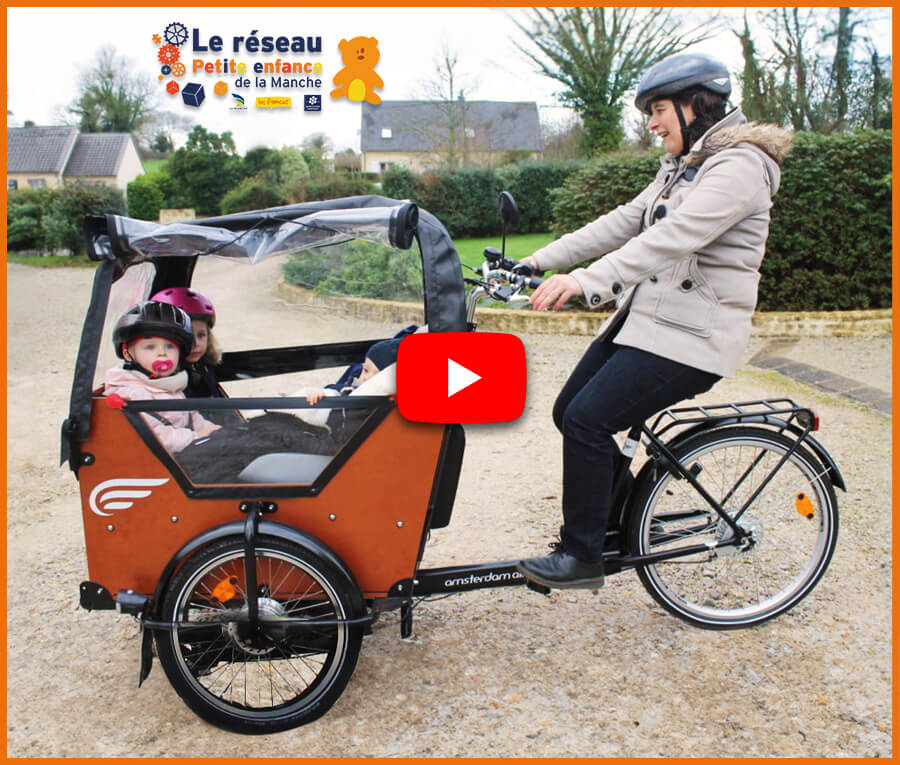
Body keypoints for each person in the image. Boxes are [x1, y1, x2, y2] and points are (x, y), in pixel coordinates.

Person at [515, 52, 793, 590]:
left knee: (589, 420)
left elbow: (674, 235)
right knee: (569, 411)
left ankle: (582, 557)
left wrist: (587, 281)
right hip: (652, 325)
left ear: (695, 106)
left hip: (694, 338)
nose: (651, 123)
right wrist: (536, 261)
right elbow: (624, 221)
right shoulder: (685, 165)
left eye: (659, 108)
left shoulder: (739, 166)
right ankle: (610, 530)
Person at [103, 301, 221, 454]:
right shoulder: (130, 393)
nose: (162, 353)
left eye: (170, 346)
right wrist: (196, 436)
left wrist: (211, 430)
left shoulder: (170, 385)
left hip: (184, 456)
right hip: (156, 465)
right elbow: (157, 437)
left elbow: (192, 417)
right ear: (127, 354)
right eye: (150, 347)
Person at [150, 287, 222, 399]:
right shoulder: (165, 382)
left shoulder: (203, 364)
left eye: (201, 335)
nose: (196, 343)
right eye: (186, 336)